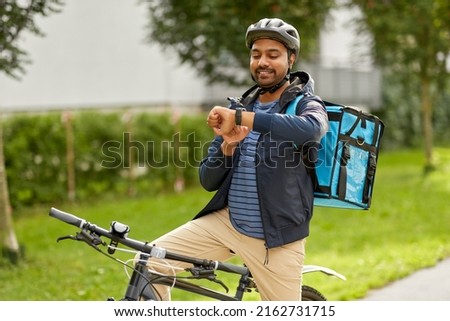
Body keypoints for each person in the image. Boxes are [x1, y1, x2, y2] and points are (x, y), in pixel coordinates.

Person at [140, 17, 328, 301]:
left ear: (291, 59)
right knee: (148, 263)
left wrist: (242, 118)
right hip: (226, 224)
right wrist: (227, 147)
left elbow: (312, 129)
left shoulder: (305, 103)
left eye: (272, 55)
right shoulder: (241, 105)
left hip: (276, 237)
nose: (262, 61)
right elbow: (207, 180)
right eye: (256, 55)